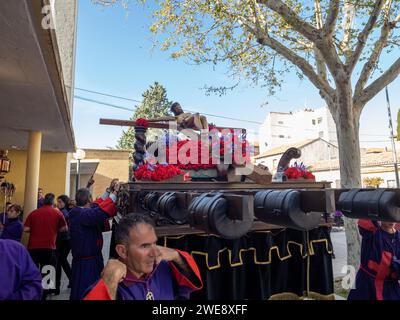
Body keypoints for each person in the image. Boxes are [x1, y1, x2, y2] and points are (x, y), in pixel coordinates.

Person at [84, 213, 202, 300]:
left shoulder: (163, 269)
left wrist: (177, 257)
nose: (154, 253)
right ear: (122, 251)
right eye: (145, 246)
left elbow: (188, 286)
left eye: (154, 243)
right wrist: (109, 284)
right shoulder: (113, 283)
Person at [68, 180, 120, 300]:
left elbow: (97, 205)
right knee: (88, 292)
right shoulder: (82, 214)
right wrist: (115, 193)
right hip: (87, 264)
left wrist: (108, 191)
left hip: (89, 261)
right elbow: (99, 212)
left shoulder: (79, 212)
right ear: (89, 200)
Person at [24, 193, 68, 299]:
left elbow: (26, 229)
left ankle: (34, 292)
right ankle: (45, 294)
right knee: (48, 270)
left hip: (33, 247)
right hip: (49, 247)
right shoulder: (57, 213)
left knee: (34, 271)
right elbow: (65, 228)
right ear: (52, 202)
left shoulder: (34, 213)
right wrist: (54, 230)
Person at [348, 219, 400, 300]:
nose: (391, 220)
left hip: (390, 289)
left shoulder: (398, 236)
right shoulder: (371, 231)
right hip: (366, 286)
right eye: (388, 215)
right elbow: (366, 218)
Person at [54, 195, 72, 295]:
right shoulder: (62, 212)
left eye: (60, 202)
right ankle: (72, 279)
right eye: (57, 201)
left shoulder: (63, 213)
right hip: (65, 240)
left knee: (59, 261)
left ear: (65, 203)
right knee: (63, 261)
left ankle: (56, 288)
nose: (58, 203)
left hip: (63, 240)